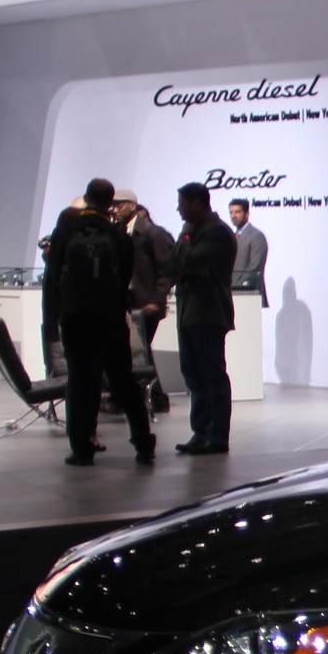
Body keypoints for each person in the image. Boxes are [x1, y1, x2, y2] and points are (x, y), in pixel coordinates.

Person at [42, 178, 155, 467]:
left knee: (80, 383)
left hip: (75, 320)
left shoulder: (66, 231)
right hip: (110, 320)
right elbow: (126, 277)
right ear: (109, 202)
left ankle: (81, 449)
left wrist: (53, 322)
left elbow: (52, 278)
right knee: (123, 381)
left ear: (86, 198)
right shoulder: (117, 234)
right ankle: (143, 444)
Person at [174, 181, 237, 454]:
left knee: (213, 377)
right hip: (190, 312)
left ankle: (217, 436)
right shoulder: (194, 231)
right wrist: (186, 252)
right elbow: (174, 263)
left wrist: (185, 245)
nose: (179, 209)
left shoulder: (217, 232)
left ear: (197, 204)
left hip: (209, 313)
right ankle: (200, 432)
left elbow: (189, 261)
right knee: (194, 376)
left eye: (183, 203)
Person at [114, 188, 177, 415]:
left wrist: (157, 298)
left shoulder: (152, 233)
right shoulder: (120, 231)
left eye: (120, 204)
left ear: (132, 205)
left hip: (146, 302)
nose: (115, 208)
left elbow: (168, 269)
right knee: (137, 349)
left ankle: (155, 398)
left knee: (140, 349)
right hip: (129, 300)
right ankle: (148, 397)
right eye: (113, 204)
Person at [229, 198, 268, 290]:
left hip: (249, 291)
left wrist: (237, 285)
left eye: (237, 212)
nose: (233, 216)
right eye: (231, 212)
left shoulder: (256, 235)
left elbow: (255, 266)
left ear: (247, 214)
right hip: (232, 291)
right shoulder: (232, 236)